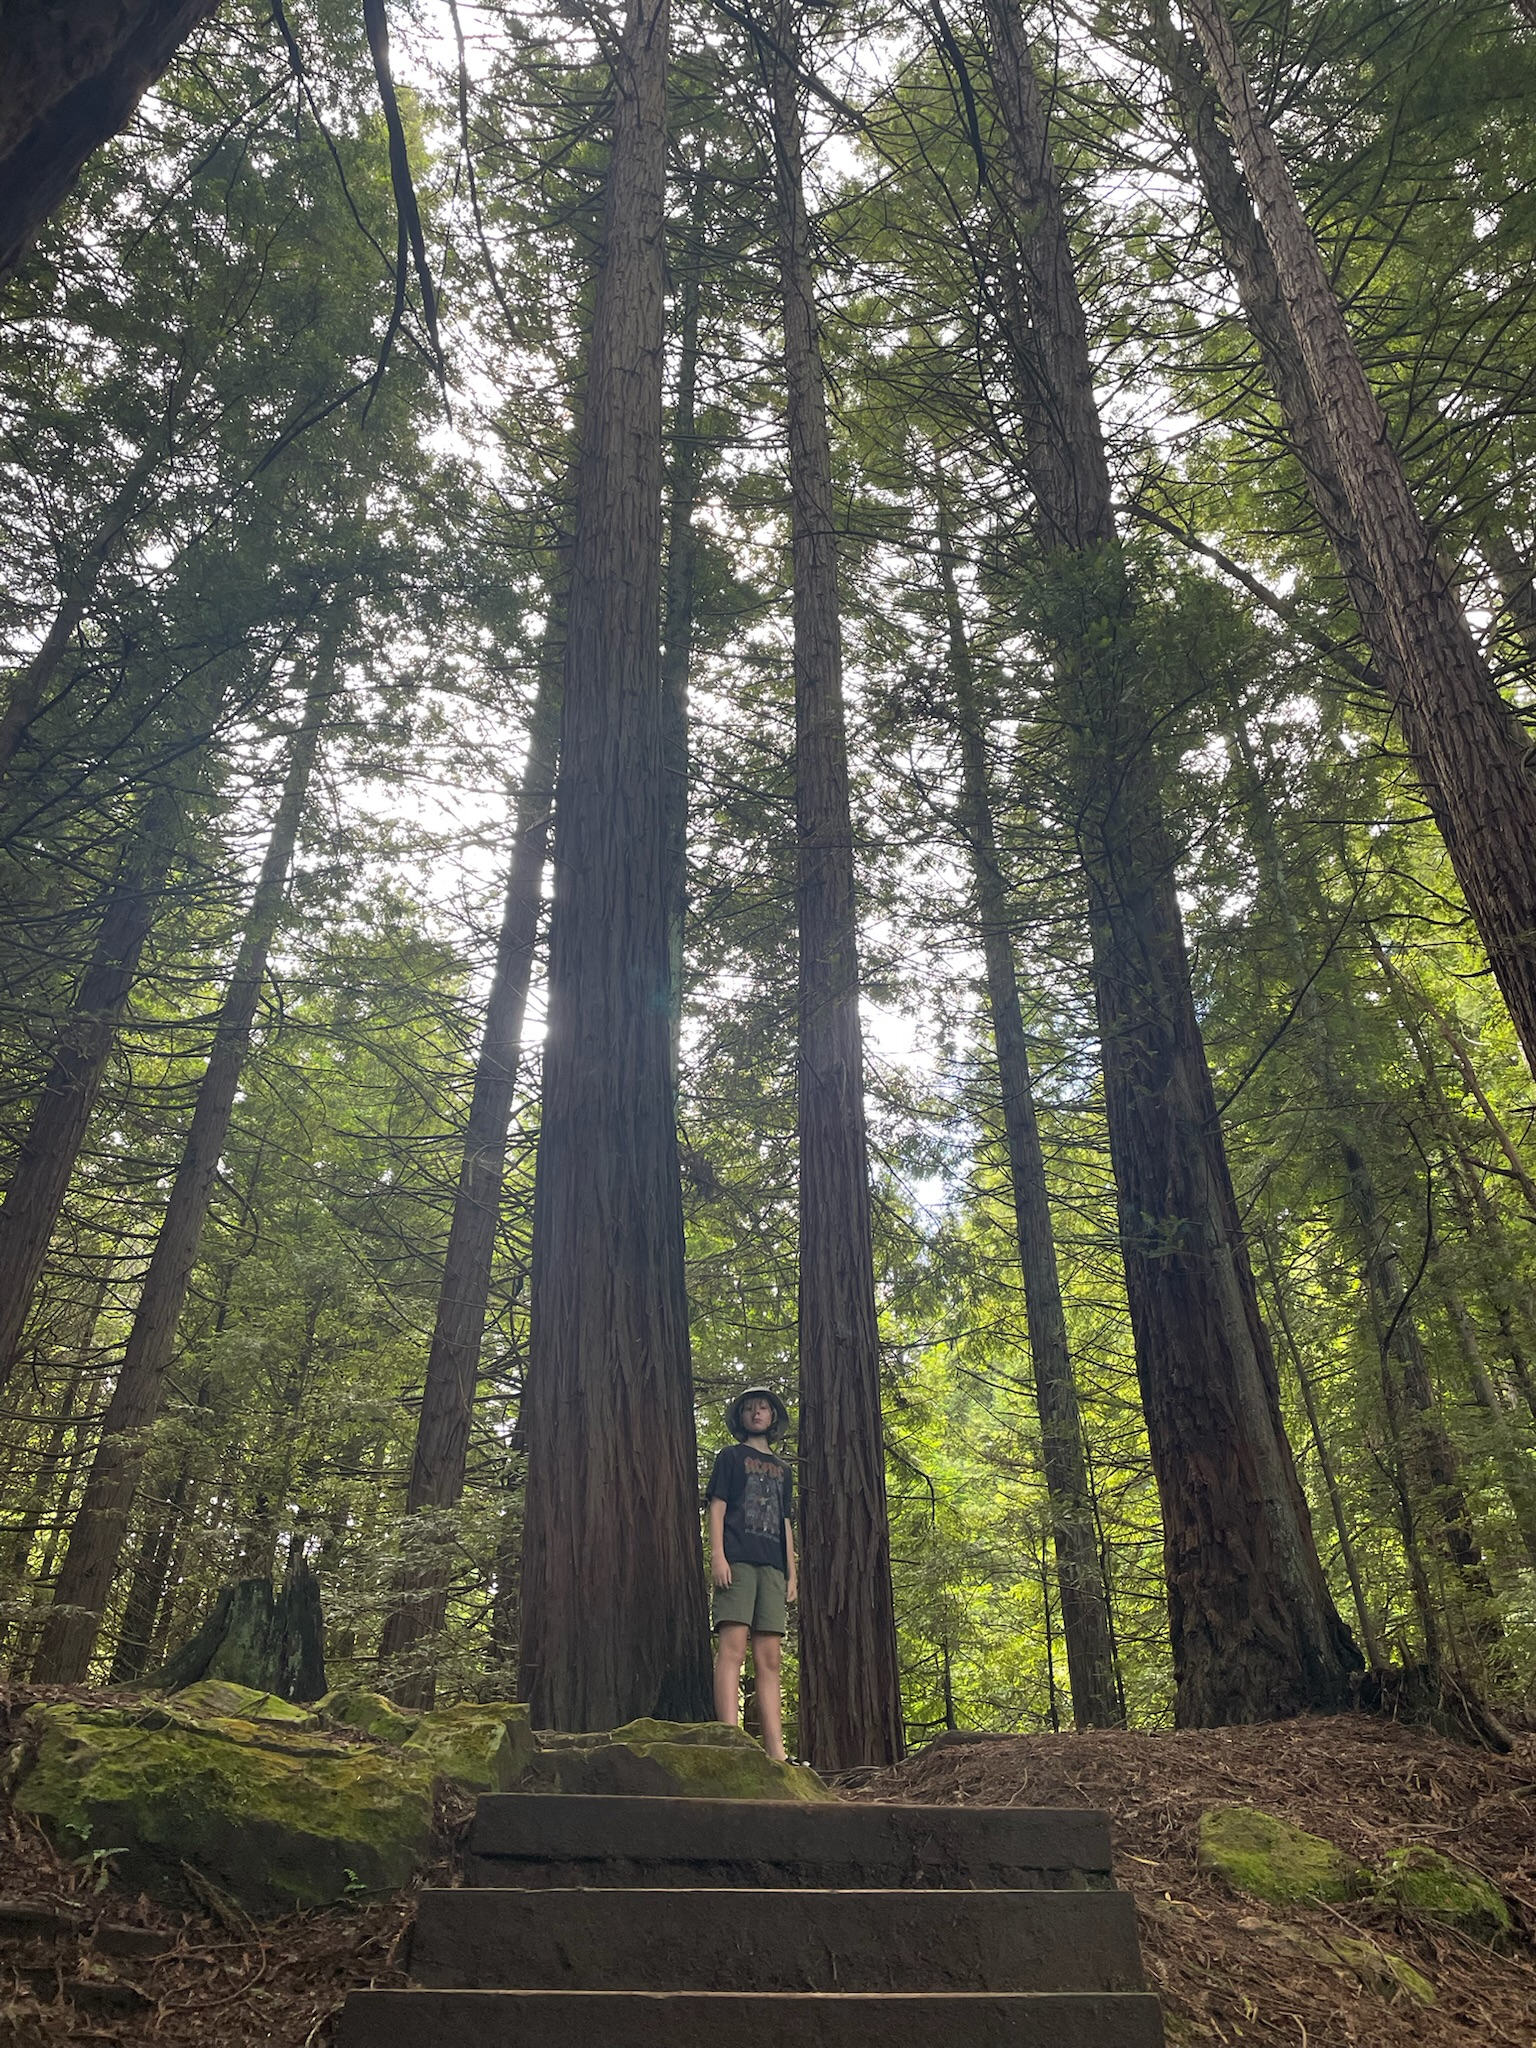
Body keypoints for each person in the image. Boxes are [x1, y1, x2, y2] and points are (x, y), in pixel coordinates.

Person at [704, 1385, 797, 1763]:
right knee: (732, 1648)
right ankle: (730, 1740)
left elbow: (786, 1521)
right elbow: (717, 1506)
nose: (757, 1413)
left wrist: (792, 1572)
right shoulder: (729, 1457)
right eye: (750, 1409)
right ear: (741, 1417)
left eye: (763, 1408)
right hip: (738, 1561)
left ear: (773, 1417)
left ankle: (776, 1752)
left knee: (770, 1656)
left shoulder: (783, 1470)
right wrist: (717, 1555)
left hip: (773, 1568)